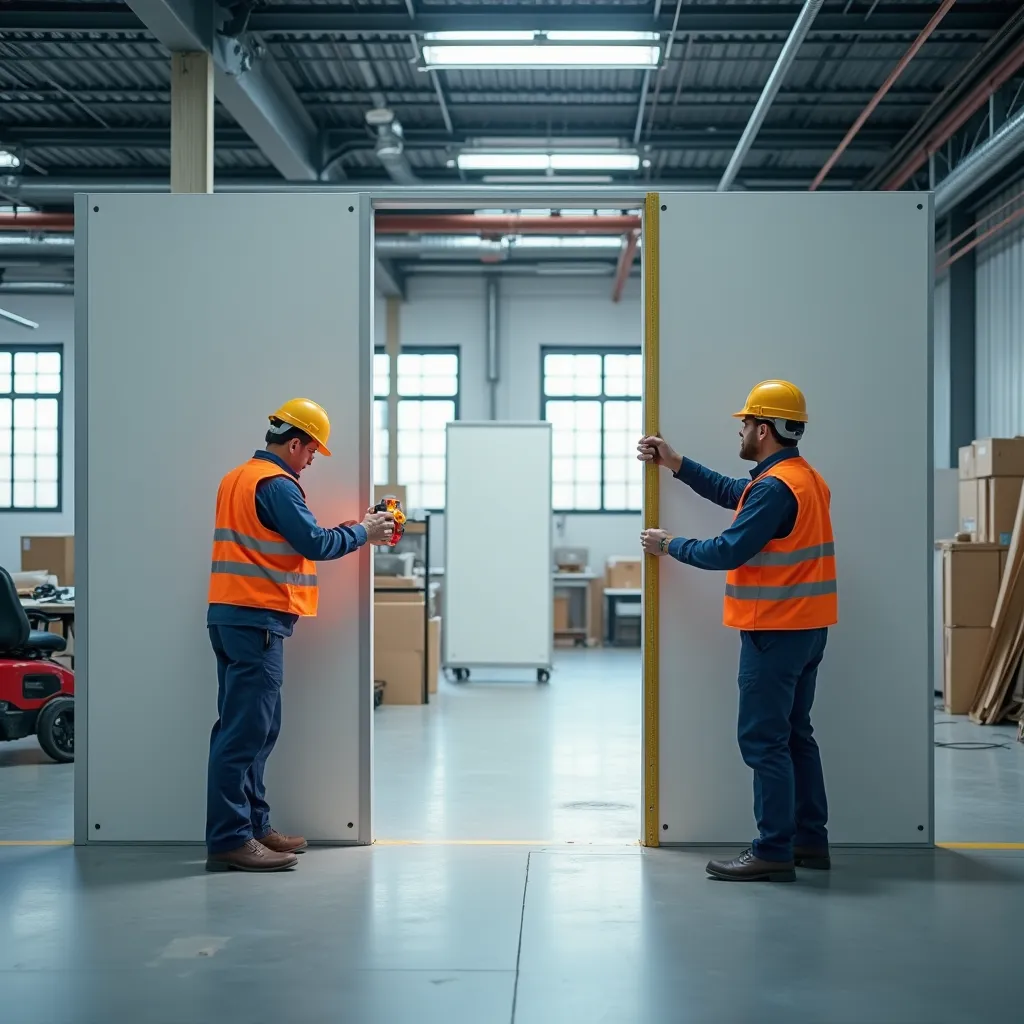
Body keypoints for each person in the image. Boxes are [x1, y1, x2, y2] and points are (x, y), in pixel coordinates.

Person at [637, 380, 837, 883]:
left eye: (745, 423)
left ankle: (772, 849)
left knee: (763, 742)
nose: (742, 431)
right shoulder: (800, 477)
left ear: (764, 428)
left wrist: (670, 545)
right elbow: (737, 494)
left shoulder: (775, 487)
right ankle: (809, 841)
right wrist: (676, 462)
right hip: (807, 629)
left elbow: (728, 549)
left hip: (774, 631)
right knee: (795, 736)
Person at [205, 398, 395, 873]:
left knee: (253, 728)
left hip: (234, 617)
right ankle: (231, 839)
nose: (312, 460)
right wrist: (364, 532)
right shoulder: (277, 485)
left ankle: (254, 826)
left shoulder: (238, 477)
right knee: (244, 732)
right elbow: (314, 542)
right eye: (312, 452)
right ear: (295, 443)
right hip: (255, 620)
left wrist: (357, 528)